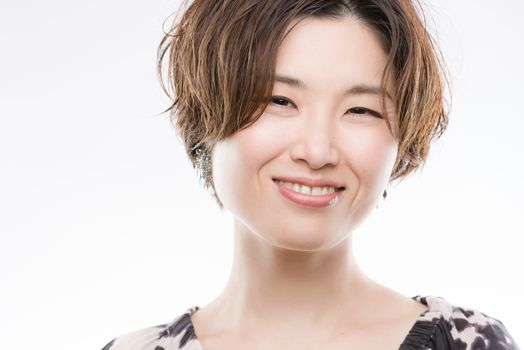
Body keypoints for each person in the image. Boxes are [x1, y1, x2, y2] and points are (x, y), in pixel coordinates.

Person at [102, 0, 519, 349]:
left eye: (361, 110)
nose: (317, 151)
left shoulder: (468, 343)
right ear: (205, 112)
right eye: (280, 100)